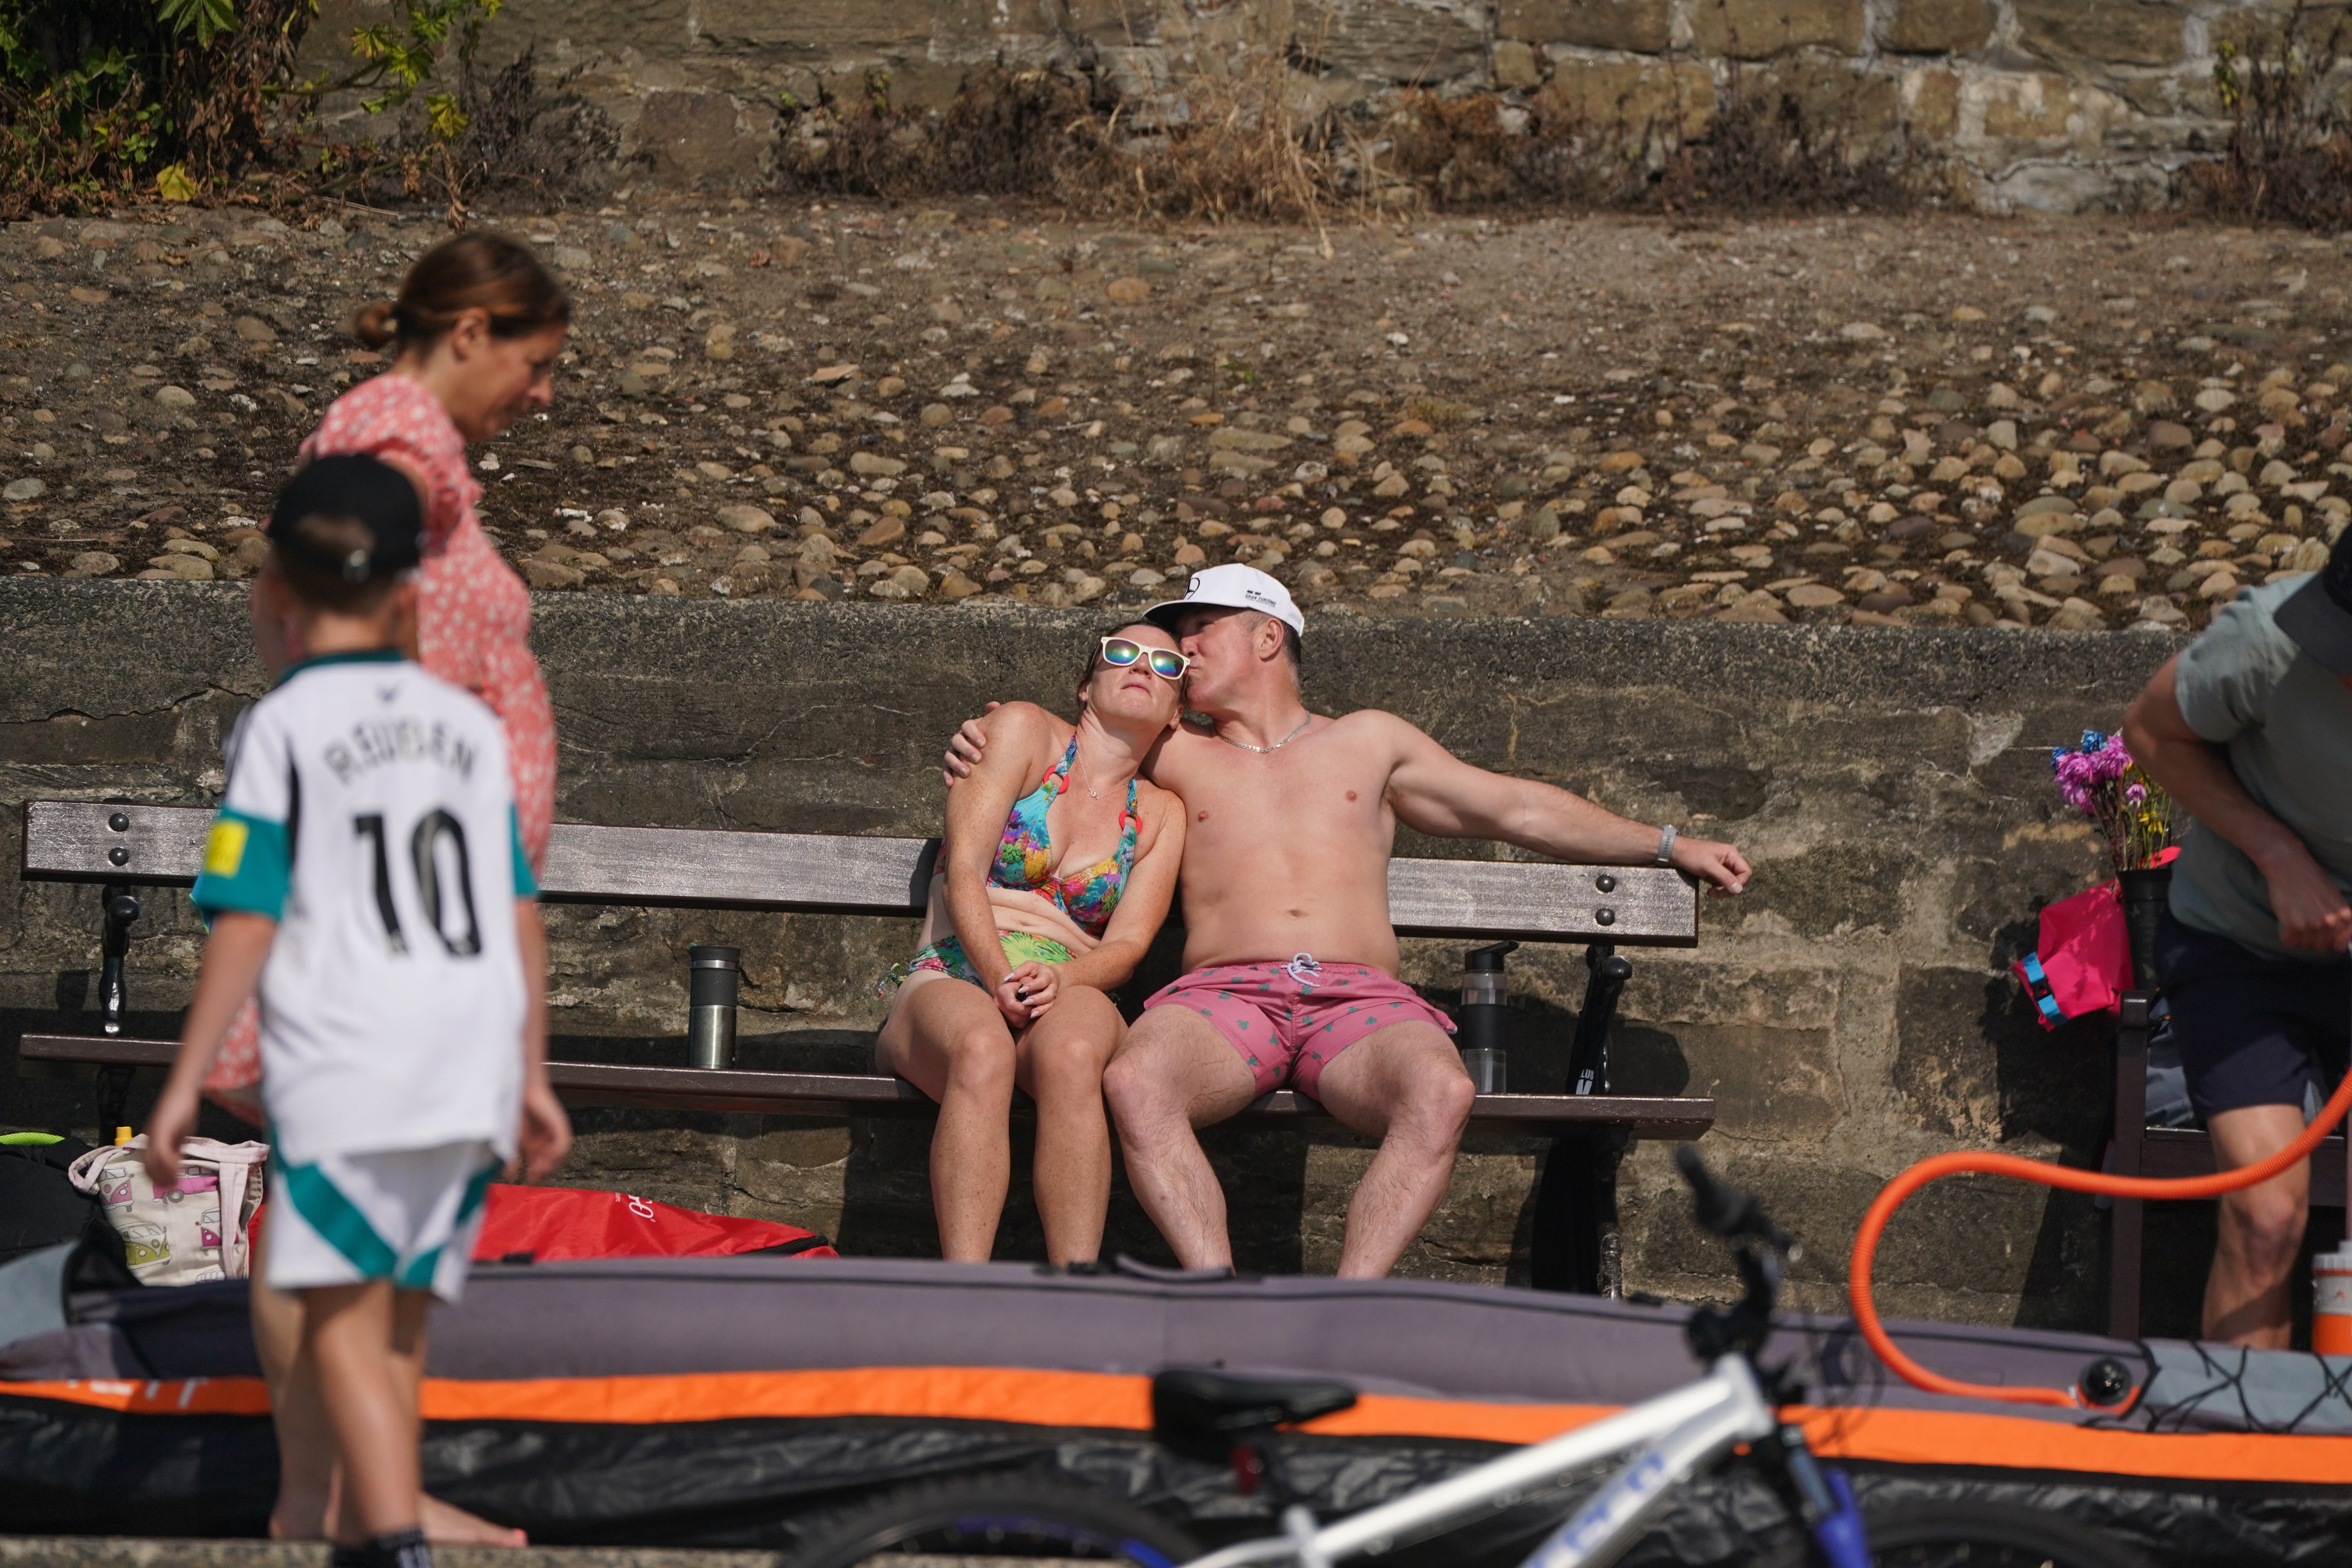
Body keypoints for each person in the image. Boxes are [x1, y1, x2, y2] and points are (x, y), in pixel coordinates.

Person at [945, 566, 1751, 1278]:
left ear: (1268, 636)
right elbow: (1069, 742)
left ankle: (1350, 1300)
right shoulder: (1170, 749)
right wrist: (978, 739)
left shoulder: (1370, 741)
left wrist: (1669, 843)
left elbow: (1514, 805)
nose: (1180, 652)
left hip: (1361, 1002)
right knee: (1135, 1078)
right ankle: (1212, 1292)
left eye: (1198, 631)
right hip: (1226, 998)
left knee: (1440, 1089)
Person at [143, 456, 571, 1568]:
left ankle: (387, 1537)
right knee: (397, 1323)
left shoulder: (281, 730)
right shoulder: (469, 730)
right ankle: (389, 1519)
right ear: (411, 597)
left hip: (351, 1060)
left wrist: (186, 1083)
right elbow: (517, 909)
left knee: (335, 1318)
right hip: (467, 1061)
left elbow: (246, 916)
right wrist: (530, 1071)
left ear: (272, 592)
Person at [213, 230, 573, 1549]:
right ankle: (341, 1494)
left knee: (365, 1224)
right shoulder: (396, 442)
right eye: (534, 364)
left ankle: (347, 1487)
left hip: (421, 906)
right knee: (330, 1208)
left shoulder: (417, 444)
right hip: (386, 918)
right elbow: (291, 592)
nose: (543, 395)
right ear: (470, 328)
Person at [880, 623, 1188, 1265]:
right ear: (1086, 684)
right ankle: (965, 1290)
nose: (1143, 667)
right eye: (1122, 653)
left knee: (1076, 1052)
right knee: (982, 1046)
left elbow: (1129, 946)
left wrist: (1067, 981)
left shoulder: (1160, 813)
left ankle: (1073, 1292)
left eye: (1167, 663)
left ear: (1177, 713)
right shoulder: (1023, 731)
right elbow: (964, 868)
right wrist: (997, 975)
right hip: (960, 962)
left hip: (1067, 978)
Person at [2122, 528, 2352, 1348]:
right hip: (2240, 947)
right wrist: (2278, 852)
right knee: (2265, 1214)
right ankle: (2232, 1470)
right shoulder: (2268, 638)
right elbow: (2150, 732)